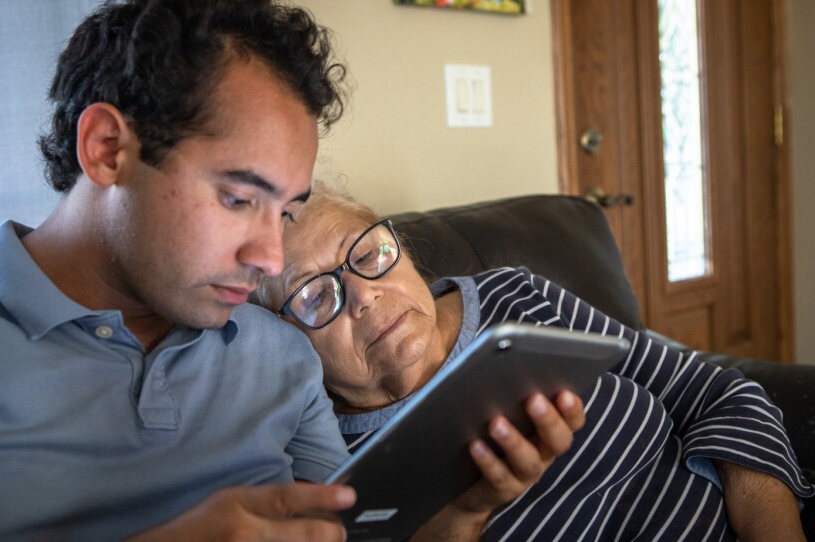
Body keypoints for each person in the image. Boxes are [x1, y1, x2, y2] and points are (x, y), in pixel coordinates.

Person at [0, 1, 586, 540]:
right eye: (239, 199)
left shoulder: (281, 354)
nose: (271, 259)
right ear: (107, 150)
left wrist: (462, 513)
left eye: (283, 210)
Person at [256, 181, 815, 541]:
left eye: (368, 252)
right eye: (313, 295)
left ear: (398, 246)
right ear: (282, 341)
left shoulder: (512, 297)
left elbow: (713, 391)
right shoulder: (329, 465)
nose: (364, 295)